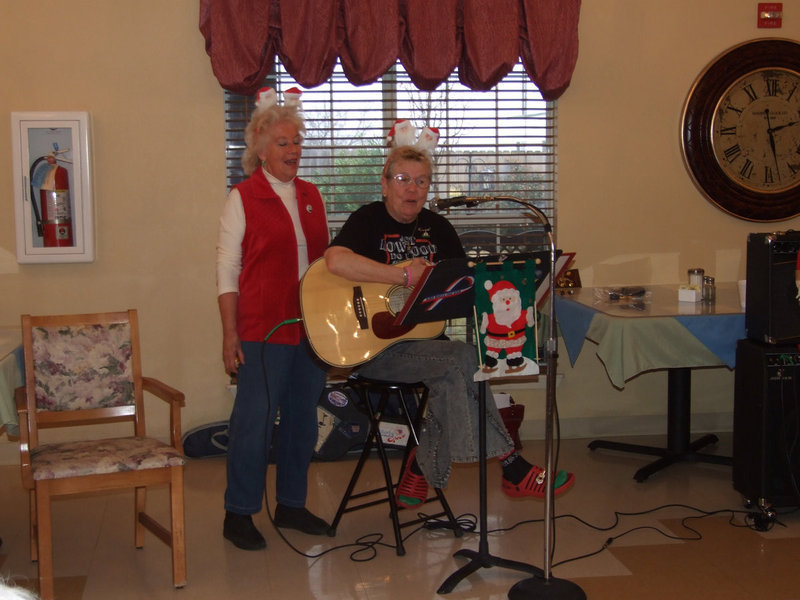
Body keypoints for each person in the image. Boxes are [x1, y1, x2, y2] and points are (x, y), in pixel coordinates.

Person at [324, 121, 574, 506]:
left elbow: (464, 292)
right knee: (459, 360)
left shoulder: (439, 229)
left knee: (454, 372)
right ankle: (511, 466)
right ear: (385, 182)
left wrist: (514, 293)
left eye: (421, 181)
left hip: (427, 348)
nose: (412, 189)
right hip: (374, 350)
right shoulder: (368, 220)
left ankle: (419, 467)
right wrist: (403, 275)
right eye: (404, 179)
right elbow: (336, 260)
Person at [216, 87, 330, 550]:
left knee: (303, 420)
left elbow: (326, 262)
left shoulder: (311, 195)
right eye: (283, 142)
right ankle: (238, 513)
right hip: (263, 329)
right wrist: (230, 335)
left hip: (312, 329)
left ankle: (291, 504)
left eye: (298, 141)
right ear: (260, 148)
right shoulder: (243, 197)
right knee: (255, 421)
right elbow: (226, 269)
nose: (293, 150)